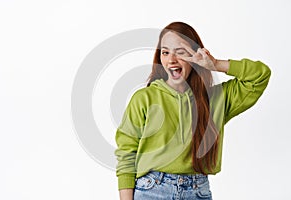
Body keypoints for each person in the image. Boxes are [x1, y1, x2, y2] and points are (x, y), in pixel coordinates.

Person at [115, 21, 271, 200]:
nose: (171, 59)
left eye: (180, 52)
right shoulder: (144, 98)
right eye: (165, 52)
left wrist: (215, 64)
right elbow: (126, 153)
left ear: (195, 55)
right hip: (152, 190)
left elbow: (260, 75)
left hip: (197, 191)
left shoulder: (215, 99)